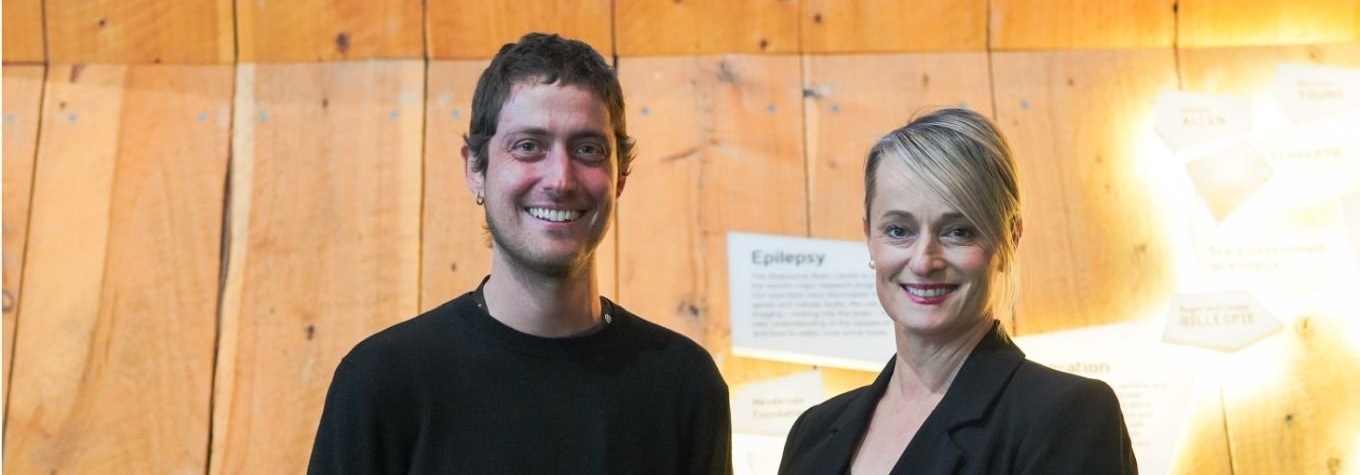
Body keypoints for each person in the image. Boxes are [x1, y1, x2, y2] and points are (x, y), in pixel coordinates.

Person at [308, 33, 732, 474]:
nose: (560, 179)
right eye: (528, 146)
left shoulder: (684, 386)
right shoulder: (384, 383)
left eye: (588, 149)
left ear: (620, 176)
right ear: (475, 169)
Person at [776, 108, 1137, 475]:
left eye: (958, 232)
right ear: (869, 236)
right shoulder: (813, 432)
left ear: (1009, 239)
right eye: (899, 230)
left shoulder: (1067, 415)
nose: (923, 261)